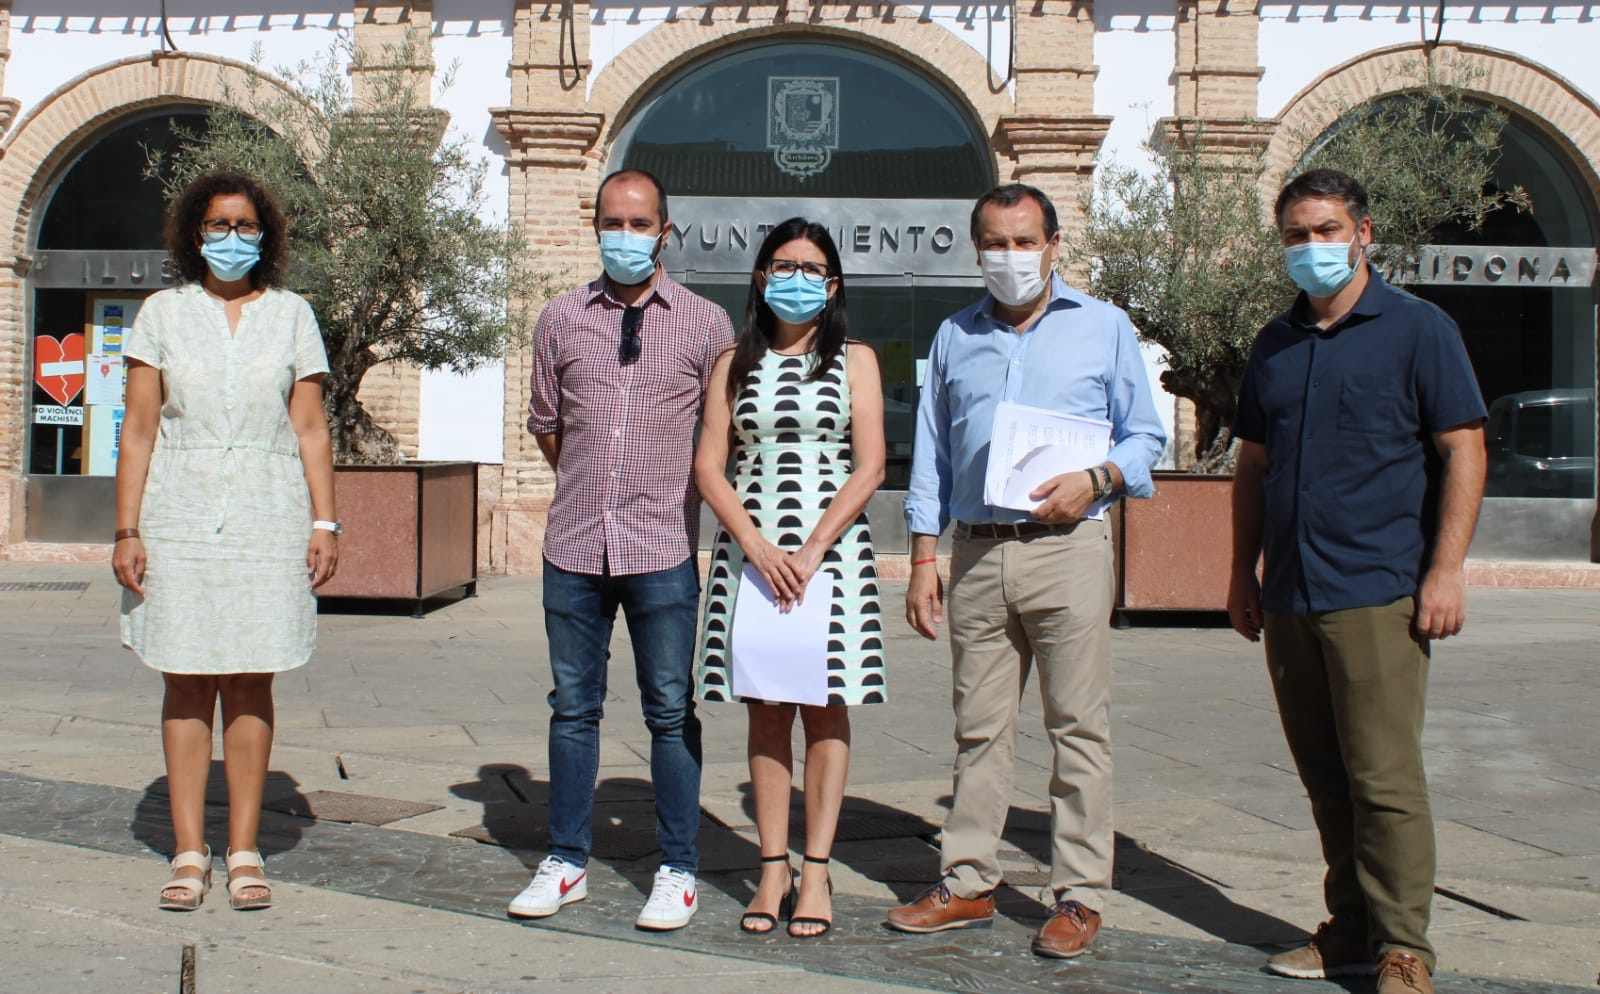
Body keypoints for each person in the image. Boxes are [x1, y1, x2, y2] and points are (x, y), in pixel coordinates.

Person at [886, 183, 1166, 958]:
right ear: (977, 250)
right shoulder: (955, 334)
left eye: (1024, 242)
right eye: (995, 244)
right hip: (977, 552)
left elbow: (1145, 436)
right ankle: (968, 880)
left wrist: (1098, 478)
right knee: (978, 728)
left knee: (1077, 726)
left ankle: (1078, 894)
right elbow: (933, 449)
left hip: (1068, 548)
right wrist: (923, 554)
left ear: (1053, 246)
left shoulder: (1104, 327)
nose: (1009, 257)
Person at [1228, 168, 1487, 994]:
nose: (1311, 246)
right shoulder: (1274, 343)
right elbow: (1254, 466)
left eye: (1326, 230)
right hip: (1290, 593)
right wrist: (1240, 571)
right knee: (1325, 779)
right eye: (1296, 235)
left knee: (1384, 780)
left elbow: (1464, 449)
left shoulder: (1420, 330)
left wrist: (1445, 571)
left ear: (1363, 233)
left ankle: (1404, 948)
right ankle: (1349, 928)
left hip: (1378, 590)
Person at [512, 168, 735, 931]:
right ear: (595, 227)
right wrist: (591, 481)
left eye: (640, 224)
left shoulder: (706, 325)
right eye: (613, 222)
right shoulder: (560, 318)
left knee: (670, 710)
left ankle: (678, 867)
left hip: (663, 545)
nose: (626, 236)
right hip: (574, 544)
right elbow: (547, 423)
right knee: (573, 708)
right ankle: (565, 859)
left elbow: (721, 434)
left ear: (665, 232)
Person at [114, 170, 339, 912]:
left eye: (245, 226)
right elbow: (139, 429)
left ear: (265, 236)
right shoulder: (162, 314)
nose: (232, 238)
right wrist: (126, 528)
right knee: (184, 676)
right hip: (178, 512)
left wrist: (325, 521)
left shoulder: (294, 315)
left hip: (269, 515)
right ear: (195, 233)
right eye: (219, 225)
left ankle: (244, 848)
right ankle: (188, 850)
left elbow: (310, 428)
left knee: (250, 677)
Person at [694, 219, 887, 939]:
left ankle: (818, 870)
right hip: (752, 557)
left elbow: (870, 465)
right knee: (767, 707)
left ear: (832, 285)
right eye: (783, 265)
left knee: (825, 706)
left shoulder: (856, 359)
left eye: (811, 269)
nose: (796, 279)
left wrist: (811, 550)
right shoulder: (732, 361)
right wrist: (754, 544)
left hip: (830, 557)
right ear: (760, 276)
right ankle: (772, 867)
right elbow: (709, 464)